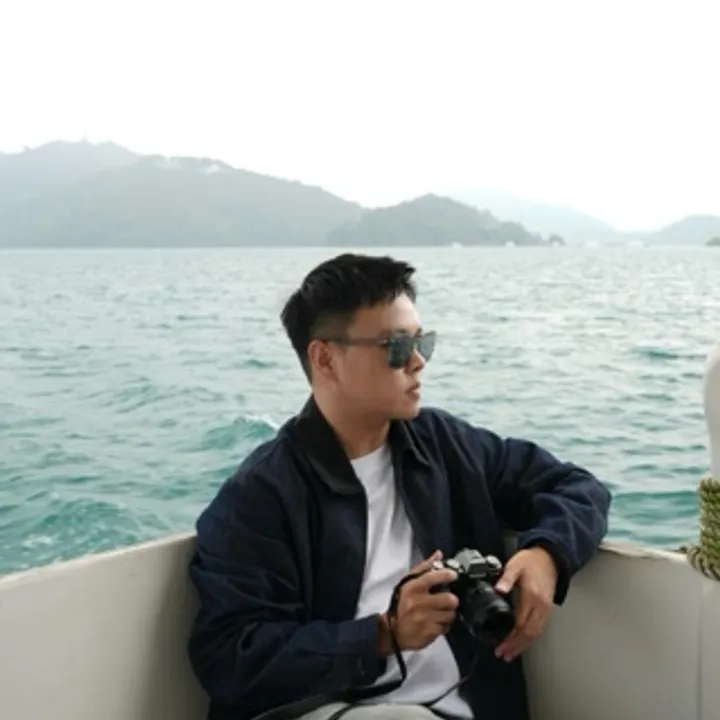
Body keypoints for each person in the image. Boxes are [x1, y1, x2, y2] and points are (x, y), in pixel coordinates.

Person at [187, 253, 612, 720]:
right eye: (396, 347)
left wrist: (546, 554)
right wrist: (383, 633)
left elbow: (577, 487)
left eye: (422, 343)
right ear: (325, 358)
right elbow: (230, 658)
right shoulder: (259, 496)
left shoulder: (445, 445)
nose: (417, 362)